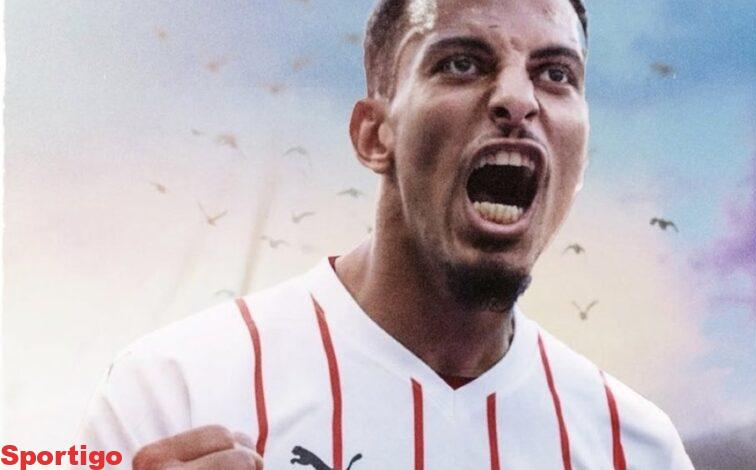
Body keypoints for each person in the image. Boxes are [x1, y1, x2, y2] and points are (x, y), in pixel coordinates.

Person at [78, 0, 694, 468]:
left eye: (556, 74)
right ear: (374, 135)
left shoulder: (638, 449)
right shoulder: (175, 391)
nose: (517, 99)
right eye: (462, 63)